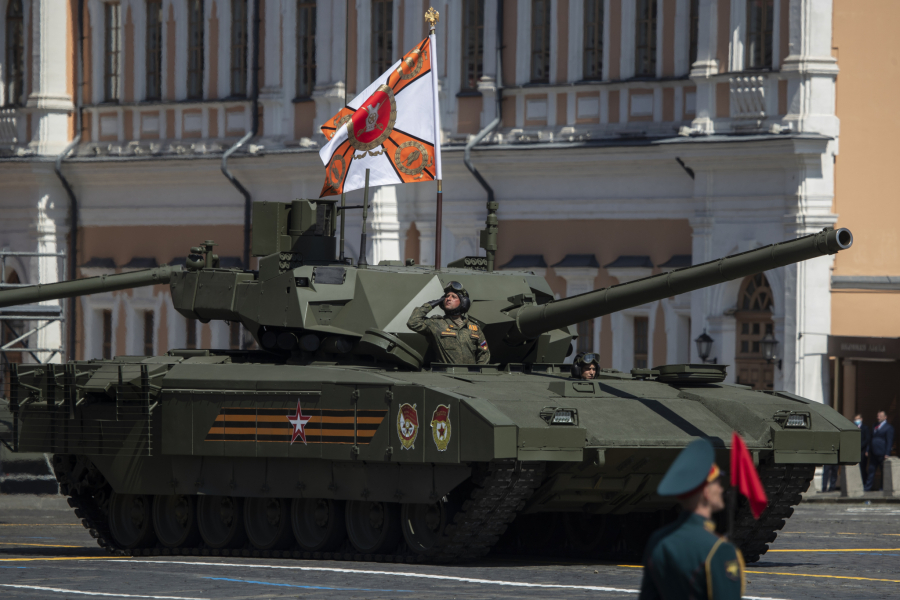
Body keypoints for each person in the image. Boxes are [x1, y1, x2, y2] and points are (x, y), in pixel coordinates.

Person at [640, 438, 744, 600]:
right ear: (706, 493)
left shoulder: (658, 541)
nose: (721, 488)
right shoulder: (720, 550)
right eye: (718, 481)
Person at [407, 281, 490, 365]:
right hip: (446, 374)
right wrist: (429, 305)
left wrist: (479, 370)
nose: (448, 299)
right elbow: (413, 322)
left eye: (453, 297)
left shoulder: (473, 327)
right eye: (446, 296)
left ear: (463, 302)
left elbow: (484, 352)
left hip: (470, 375)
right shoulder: (436, 324)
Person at [866, 411, 895, 491]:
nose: (878, 417)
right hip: (873, 452)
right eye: (878, 416)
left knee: (883, 471)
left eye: (880, 416)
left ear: (885, 417)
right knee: (871, 470)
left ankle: (882, 488)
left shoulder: (889, 427)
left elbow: (889, 441)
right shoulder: (875, 425)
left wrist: (887, 453)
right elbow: (871, 438)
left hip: (882, 453)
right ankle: (867, 488)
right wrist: (868, 450)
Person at [856, 414, 872, 483]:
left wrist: (860, 447)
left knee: (862, 468)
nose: (857, 421)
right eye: (856, 419)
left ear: (861, 419)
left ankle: (864, 482)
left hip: (862, 451)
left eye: (858, 419)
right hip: (855, 452)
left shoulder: (865, 428)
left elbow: (867, 439)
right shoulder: (853, 427)